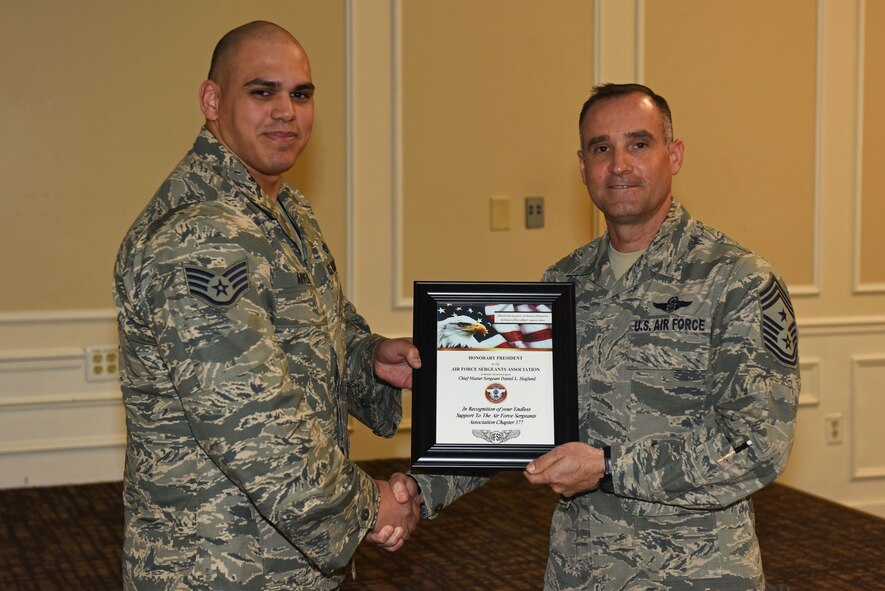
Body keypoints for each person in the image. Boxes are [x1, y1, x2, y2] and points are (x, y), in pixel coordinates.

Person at [398, 83, 800, 590]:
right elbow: (513, 421)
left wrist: (610, 468)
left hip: (696, 574)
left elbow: (757, 444)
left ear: (674, 155)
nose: (619, 165)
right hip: (582, 570)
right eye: (601, 148)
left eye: (639, 144)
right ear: (583, 166)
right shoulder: (562, 284)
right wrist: (418, 492)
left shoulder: (736, 281)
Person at [114, 21, 421, 590]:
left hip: (281, 553)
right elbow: (249, 421)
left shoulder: (286, 210)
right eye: (262, 92)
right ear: (212, 101)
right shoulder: (200, 235)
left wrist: (370, 357)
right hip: (218, 563)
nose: (286, 111)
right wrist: (366, 505)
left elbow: (316, 332)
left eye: (301, 94)